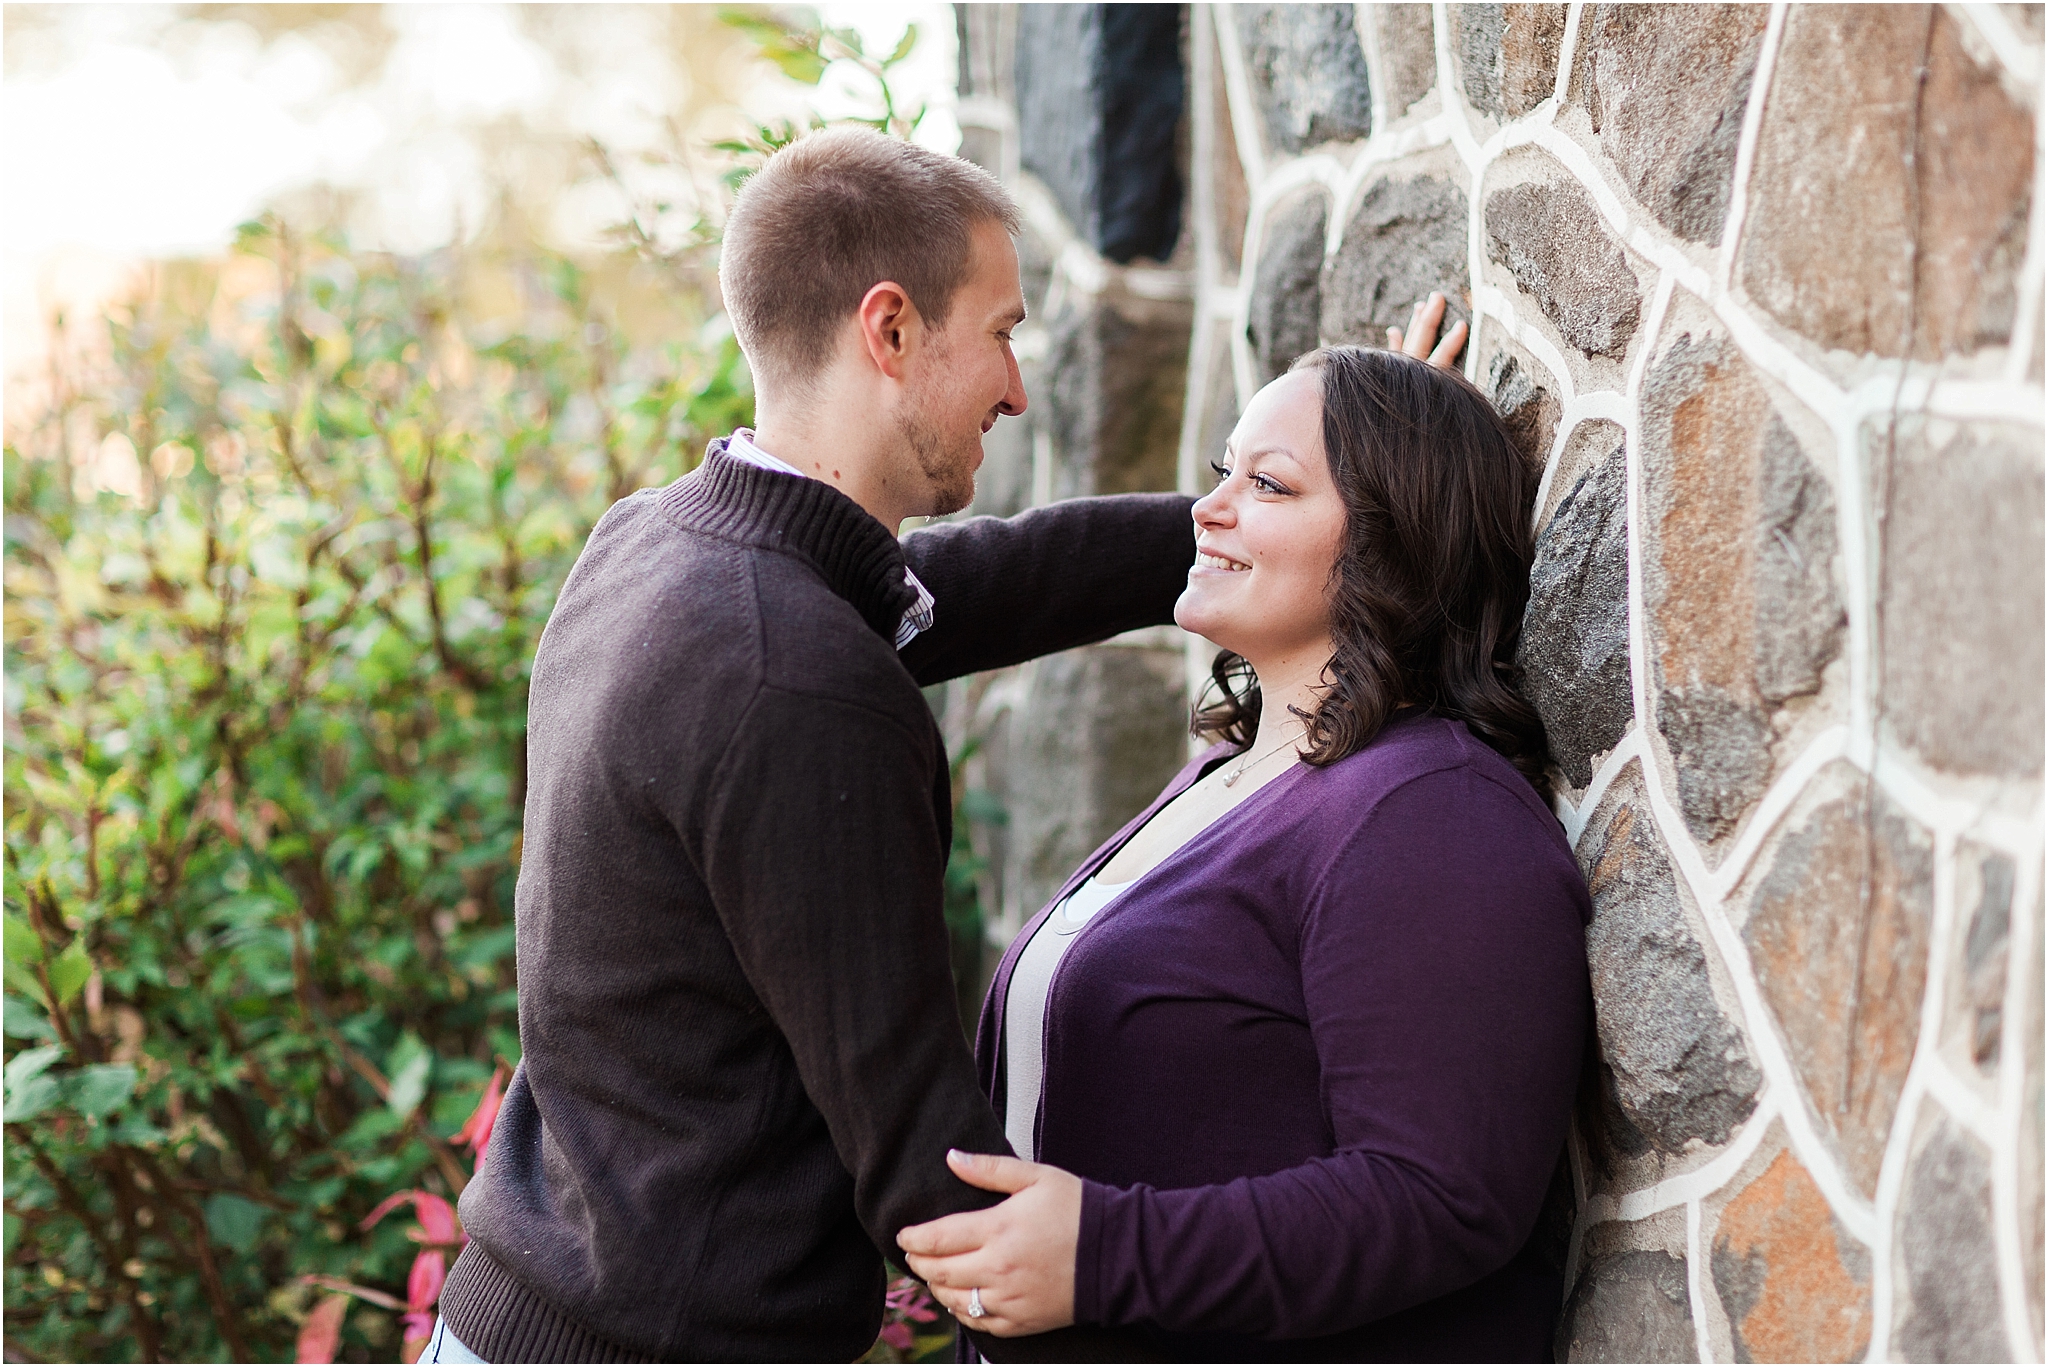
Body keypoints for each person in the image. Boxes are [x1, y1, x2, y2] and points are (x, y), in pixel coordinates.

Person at [431, 127, 1209, 1362]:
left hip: (523, 1317)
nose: (1017, 389)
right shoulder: (793, 677)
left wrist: (1262, 505)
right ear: (889, 330)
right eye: (1001, 334)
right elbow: (933, 1180)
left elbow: (989, 579)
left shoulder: (659, 549)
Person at [898, 341, 1589, 1361]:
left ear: (1396, 534)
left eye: (1265, 483)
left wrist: (1106, 1254)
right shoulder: (1227, 774)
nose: (1206, 507)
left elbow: (1442, 1194)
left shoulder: (1428, 812)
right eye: (1224, 470)